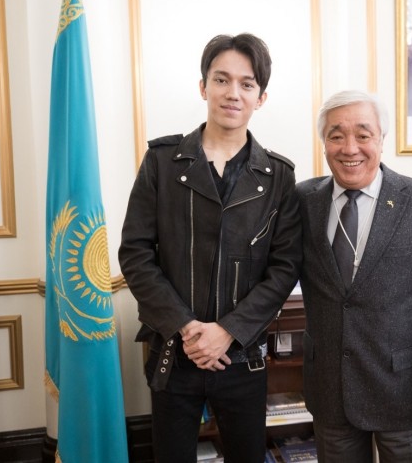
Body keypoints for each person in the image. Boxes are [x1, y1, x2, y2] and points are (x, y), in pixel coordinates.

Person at [119, 33, 302, 463]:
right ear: (203, 87)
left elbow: (284, 268)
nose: (233, 93)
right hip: (174, 352)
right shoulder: (162, 162)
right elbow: (135, 254)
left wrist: (226, 332)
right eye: (221, 80)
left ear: (260, 97)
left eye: (246, 84)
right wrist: (188, 329)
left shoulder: (278, 176)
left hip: (243, 358)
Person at [296, 90, 412, 462]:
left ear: (381, 139)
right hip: (330, 390)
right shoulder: (302, 201)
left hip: (403, 391)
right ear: (324, 142)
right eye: (336, 135)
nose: (350, 148)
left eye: (363, 135)